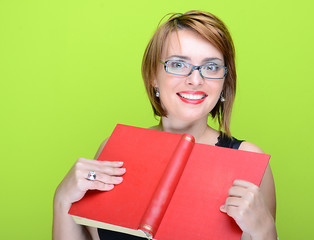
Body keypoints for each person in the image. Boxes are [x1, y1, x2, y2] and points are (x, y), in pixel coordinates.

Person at [53, 10, 277, 240]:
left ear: (225, 81)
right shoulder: (113, 150)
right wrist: (62, 200)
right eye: (178, 64)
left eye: (211, 67)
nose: (195, 80)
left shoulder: (249, 162)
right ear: (153, 75)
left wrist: (266, 231)